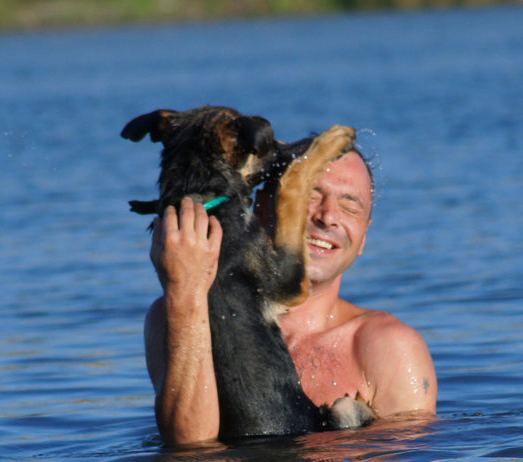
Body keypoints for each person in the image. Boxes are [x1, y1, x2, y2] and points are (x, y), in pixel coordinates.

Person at [144, 144, 437, 445]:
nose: (327, 217)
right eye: (310, 194)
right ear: (260, 209)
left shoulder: (389, 348)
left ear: (364, 236)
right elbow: (191, 458)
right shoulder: (178, 314)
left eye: (350, 206)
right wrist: (186, 294)